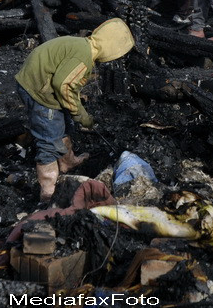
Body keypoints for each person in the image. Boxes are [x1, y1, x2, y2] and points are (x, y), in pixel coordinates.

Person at [15, 18, 135, 204]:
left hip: (39, 83)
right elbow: (64, 86)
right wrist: (81, 115)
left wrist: (74, 112)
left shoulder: (83, 45)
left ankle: (67, 162)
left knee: (65, 124)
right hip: (40, 92)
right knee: (49, 140)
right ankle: (47, 192)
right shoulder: (83, 57)